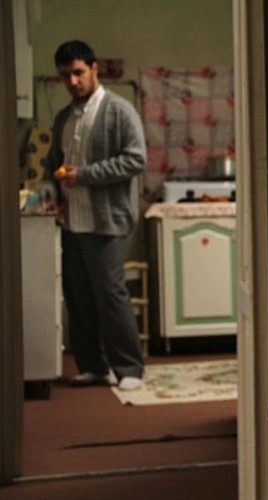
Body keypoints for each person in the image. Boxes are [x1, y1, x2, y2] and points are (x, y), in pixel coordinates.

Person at [45, 40, 145, 391]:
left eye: (78, 73)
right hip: (71, 221)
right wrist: (51, 190)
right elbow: (53, 164)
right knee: (78, 296)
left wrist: (84, 175)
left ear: (93, 69)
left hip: (108, 221)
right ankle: (93, 367)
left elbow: (136, 159)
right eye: (65, 76)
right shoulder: (63, 117)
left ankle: (130, 368)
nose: (72, 81)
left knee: (110, 294)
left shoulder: (119, 110)